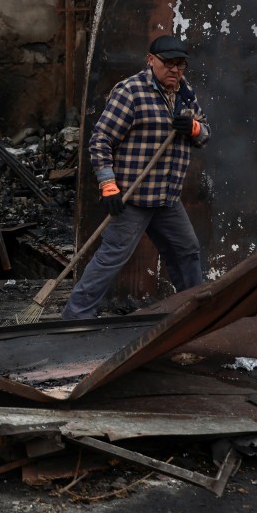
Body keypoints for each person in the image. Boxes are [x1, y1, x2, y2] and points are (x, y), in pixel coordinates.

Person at [61, 34, 210, 320]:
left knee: (187, 251)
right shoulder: (131, 92)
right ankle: (75, 318)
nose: (175, 70)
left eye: (180, 64)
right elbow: (101, 140)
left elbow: (205, 134)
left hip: (167, 198)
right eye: (168, 63)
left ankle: (195, 312)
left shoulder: (184, 93)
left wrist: (193, 128)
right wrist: (108, 185)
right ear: (151, 60)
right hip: (134, 198)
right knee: (112, 256)